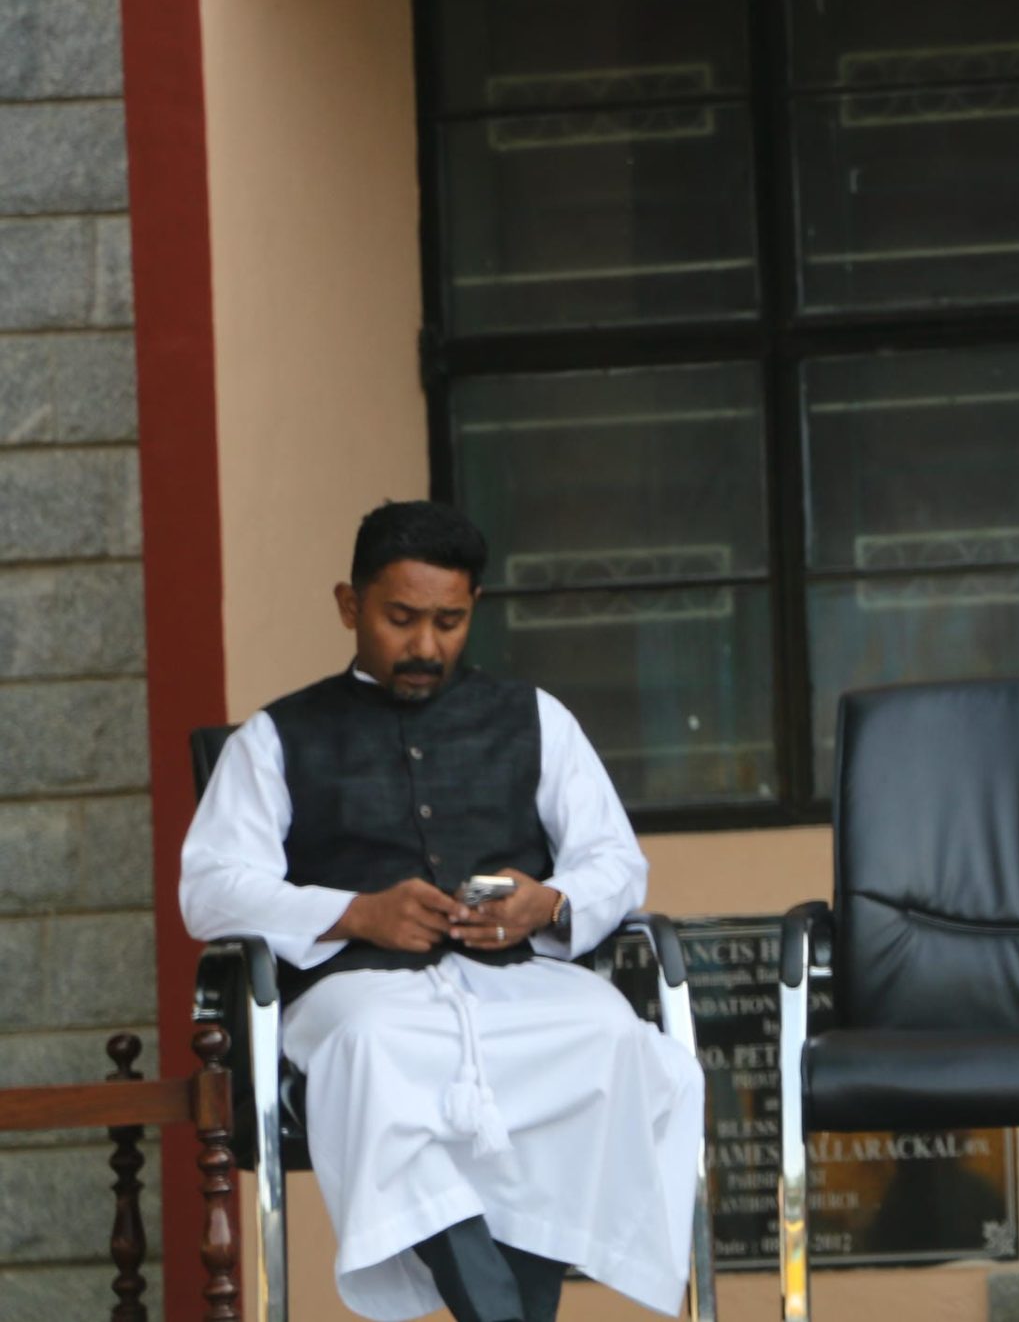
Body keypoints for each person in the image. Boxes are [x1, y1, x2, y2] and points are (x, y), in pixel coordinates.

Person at [179, 501, 702, 1322]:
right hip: (362, 994)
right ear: (350, 605)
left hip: (518, 983)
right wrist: (355, 912)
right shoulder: (275, 738)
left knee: (610, 1036)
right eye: (401, 618)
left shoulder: (536, 718)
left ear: (473, 608)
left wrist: (548, 902)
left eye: (449, 621)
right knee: (377, 1049)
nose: (426, 644)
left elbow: (615, 859)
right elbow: (210, 887)